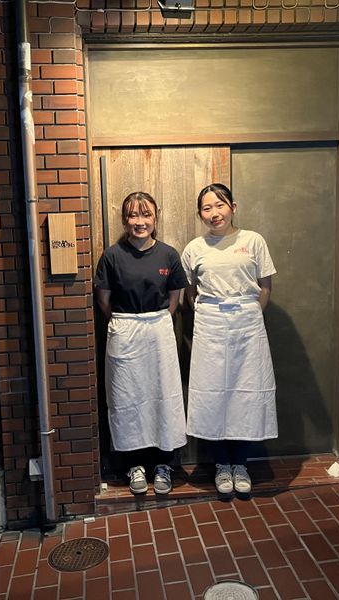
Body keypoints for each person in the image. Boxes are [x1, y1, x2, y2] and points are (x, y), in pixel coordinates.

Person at [181, 182, 278, 496]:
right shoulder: (194, 248)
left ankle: (241, 464)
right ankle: (222, 465)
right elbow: (190, 292)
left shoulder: (253, 241)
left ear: (233, 207)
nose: (214, 213)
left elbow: (265, 286)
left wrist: (251, 314)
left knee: (245, 393)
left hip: (247, 325)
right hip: (210, 325)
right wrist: (207, 314)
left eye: (220, 205)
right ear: (200, 214)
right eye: (207, 208)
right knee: (213, 395)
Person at [94, 191, 188, 495]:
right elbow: (104, 300)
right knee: (127, 397)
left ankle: (163, 464)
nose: (140, 221)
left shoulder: (168, 255)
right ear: (124, 220)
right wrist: (127, 323)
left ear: (155, 218)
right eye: (133, 215)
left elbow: (174, 298)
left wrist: (156, 321)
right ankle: (133, 464)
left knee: (163, 395)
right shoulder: (112, 256)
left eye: (146, 214)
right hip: (125, 330)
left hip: (159, 331)